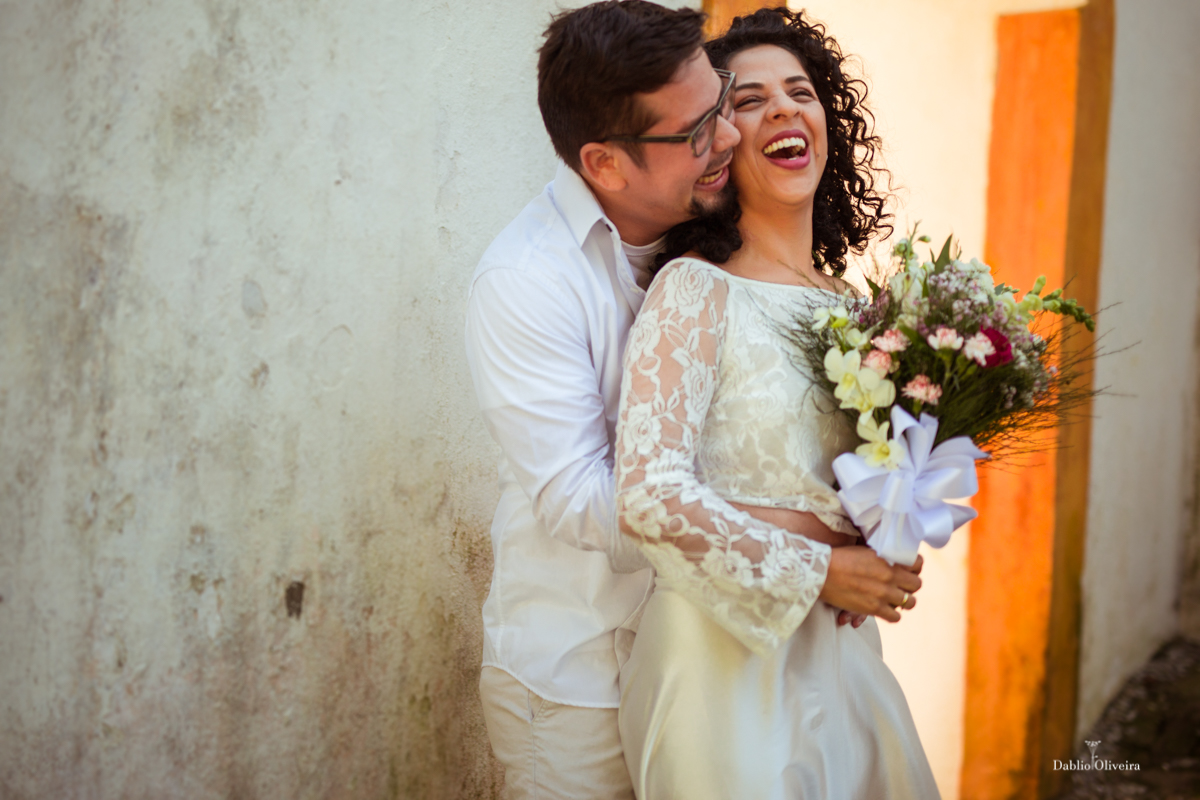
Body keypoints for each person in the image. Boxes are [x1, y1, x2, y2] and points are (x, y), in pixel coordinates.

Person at [615, 8, 939, 799]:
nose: (786, 109)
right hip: (722, 658)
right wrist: (822, 568)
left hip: (844, 656)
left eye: (801, 91)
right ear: (717, 144)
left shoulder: (868, 316)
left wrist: (893, 532)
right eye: (750, 101)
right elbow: (648, 496)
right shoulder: (694, 290)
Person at [462, 2, 740, 797]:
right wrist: (785, 534)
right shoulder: (526, 282)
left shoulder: (718, 226)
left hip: (703, 659)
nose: (725, 137)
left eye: (717, 100)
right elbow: (582, 500)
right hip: (582, 681)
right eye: (694, 133)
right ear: (606, 164)